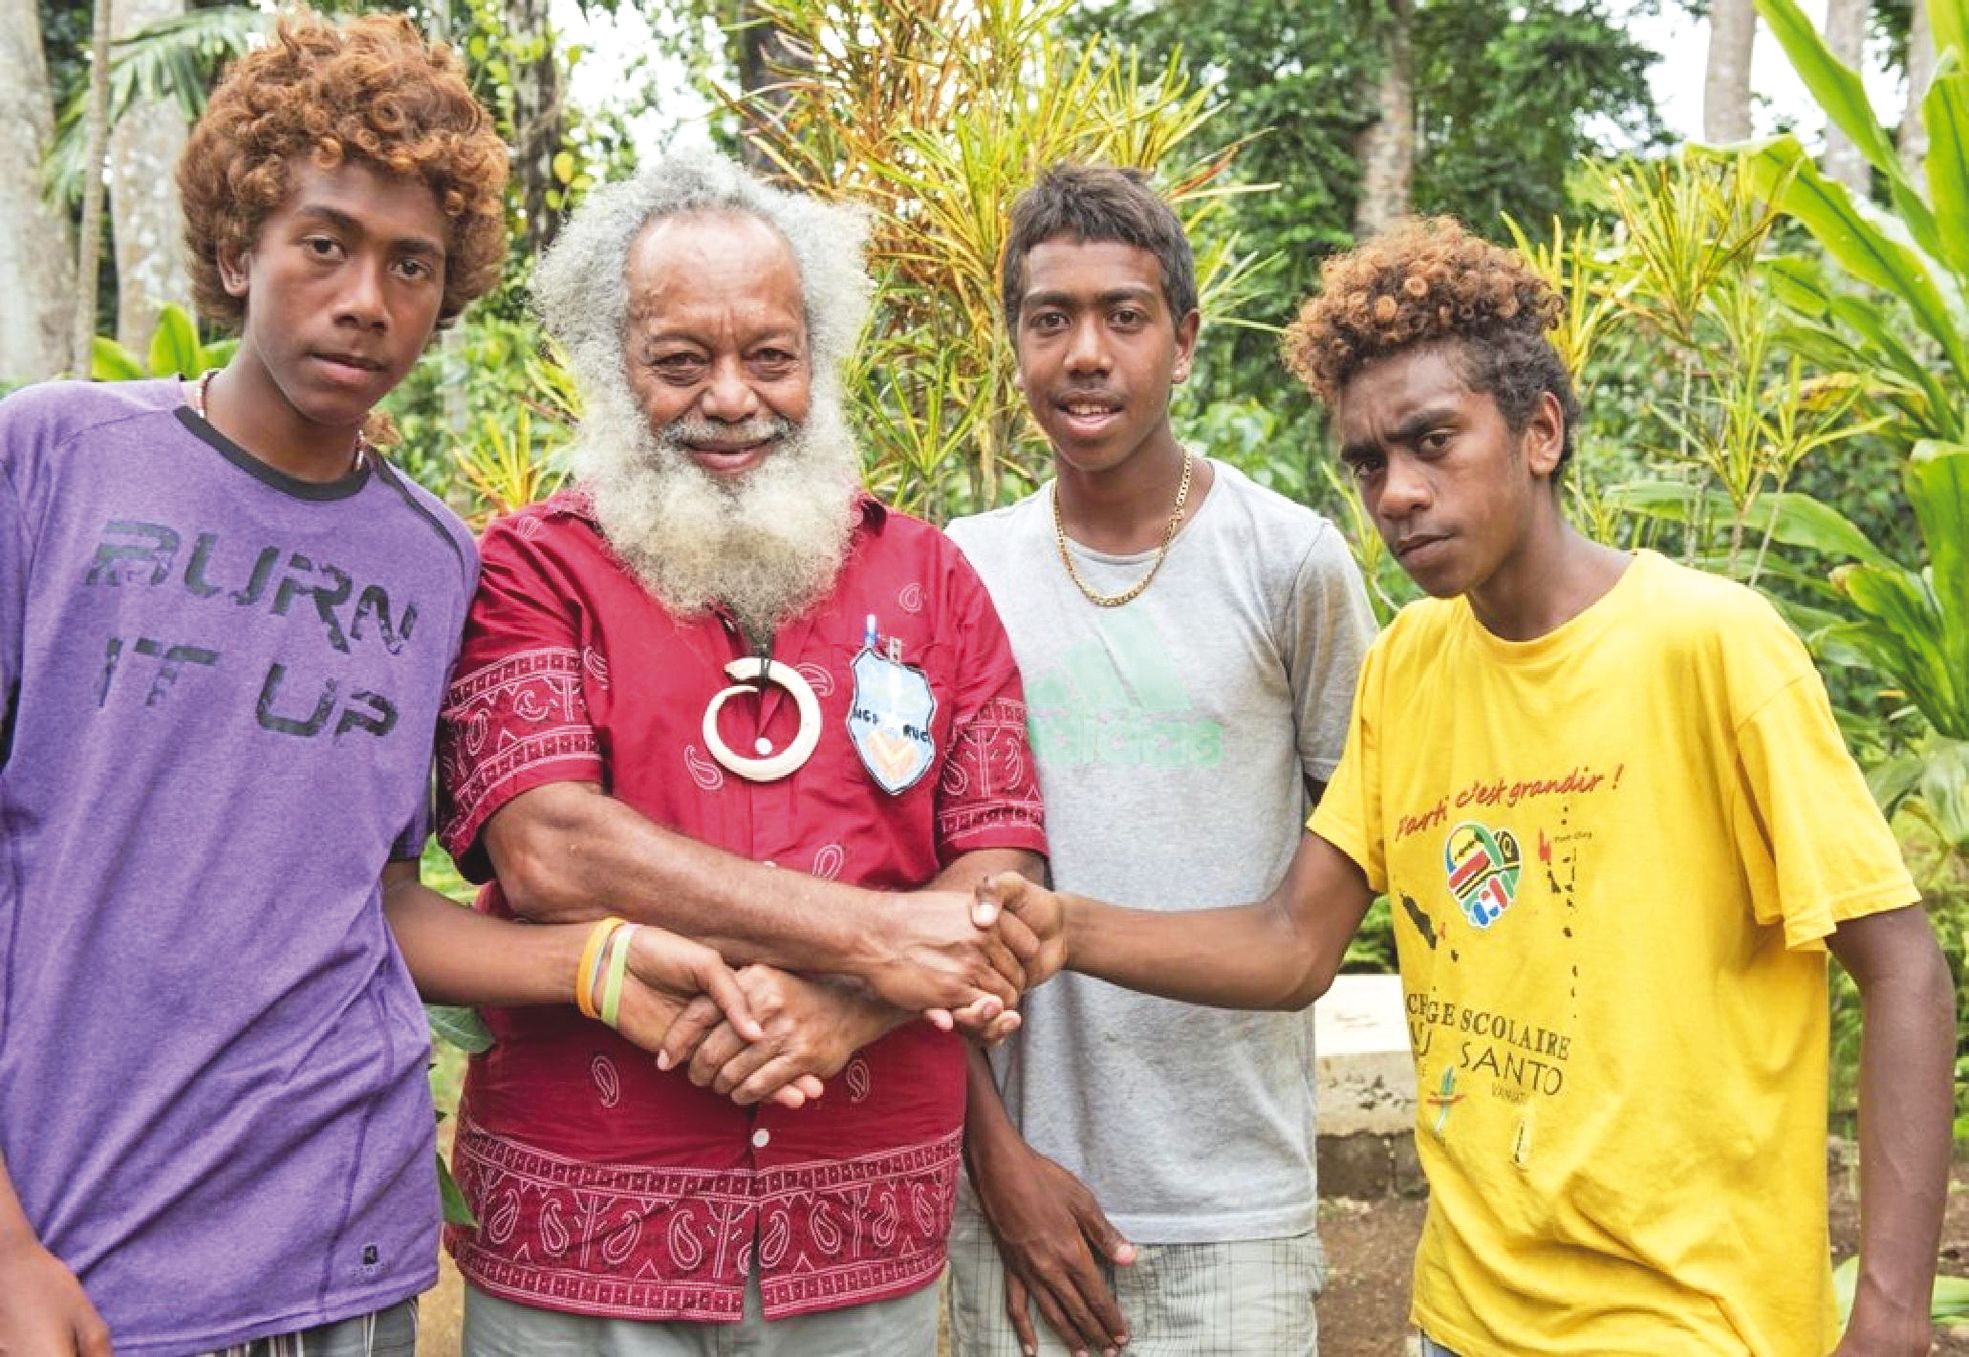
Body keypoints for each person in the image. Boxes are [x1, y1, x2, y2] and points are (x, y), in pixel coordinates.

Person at [975, 216, 1956, 1356]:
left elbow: (1902, 969)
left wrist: (1890, 1312)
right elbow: (1295, 942)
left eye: (1433, 442)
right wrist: (1067, 928)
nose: (1396, 492)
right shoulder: (1408, 666)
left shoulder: (1711, 646)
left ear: (1539, 431)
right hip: (1464, 1318)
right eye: (1367, 462)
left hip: (1692, 1316)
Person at [0, 17, 764, 1356]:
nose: (366, 298)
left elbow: (373, 897)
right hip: (75, 1236)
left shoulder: (432, 562)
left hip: (339, 1251)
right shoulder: (56, 461)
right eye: (324, 244)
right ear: (236, 252)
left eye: (411, 264)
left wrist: (596, 963)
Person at [432, 148, 1051, 1356]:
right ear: (610, 362)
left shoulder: (930, 577)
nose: (730, 398)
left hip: (861, 1214)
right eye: (680, 361)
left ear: (819, 356)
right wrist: (874, 941)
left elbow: (1000, 868)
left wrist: (844, 1007)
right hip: (582, 1221)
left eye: (770, 356)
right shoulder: (532, 568)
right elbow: (551, 848)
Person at [941, 164, 1376, 1357]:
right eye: (1050, 318)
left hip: (1233, 1209)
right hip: (1016, 1206)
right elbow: (912, 907)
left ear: (1182, 341)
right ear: (1014, 344)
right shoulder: (954, 574)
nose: (1086, 353)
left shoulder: (1290, 565)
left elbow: (1328, 903)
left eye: (1123, 316)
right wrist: (995, 1160)